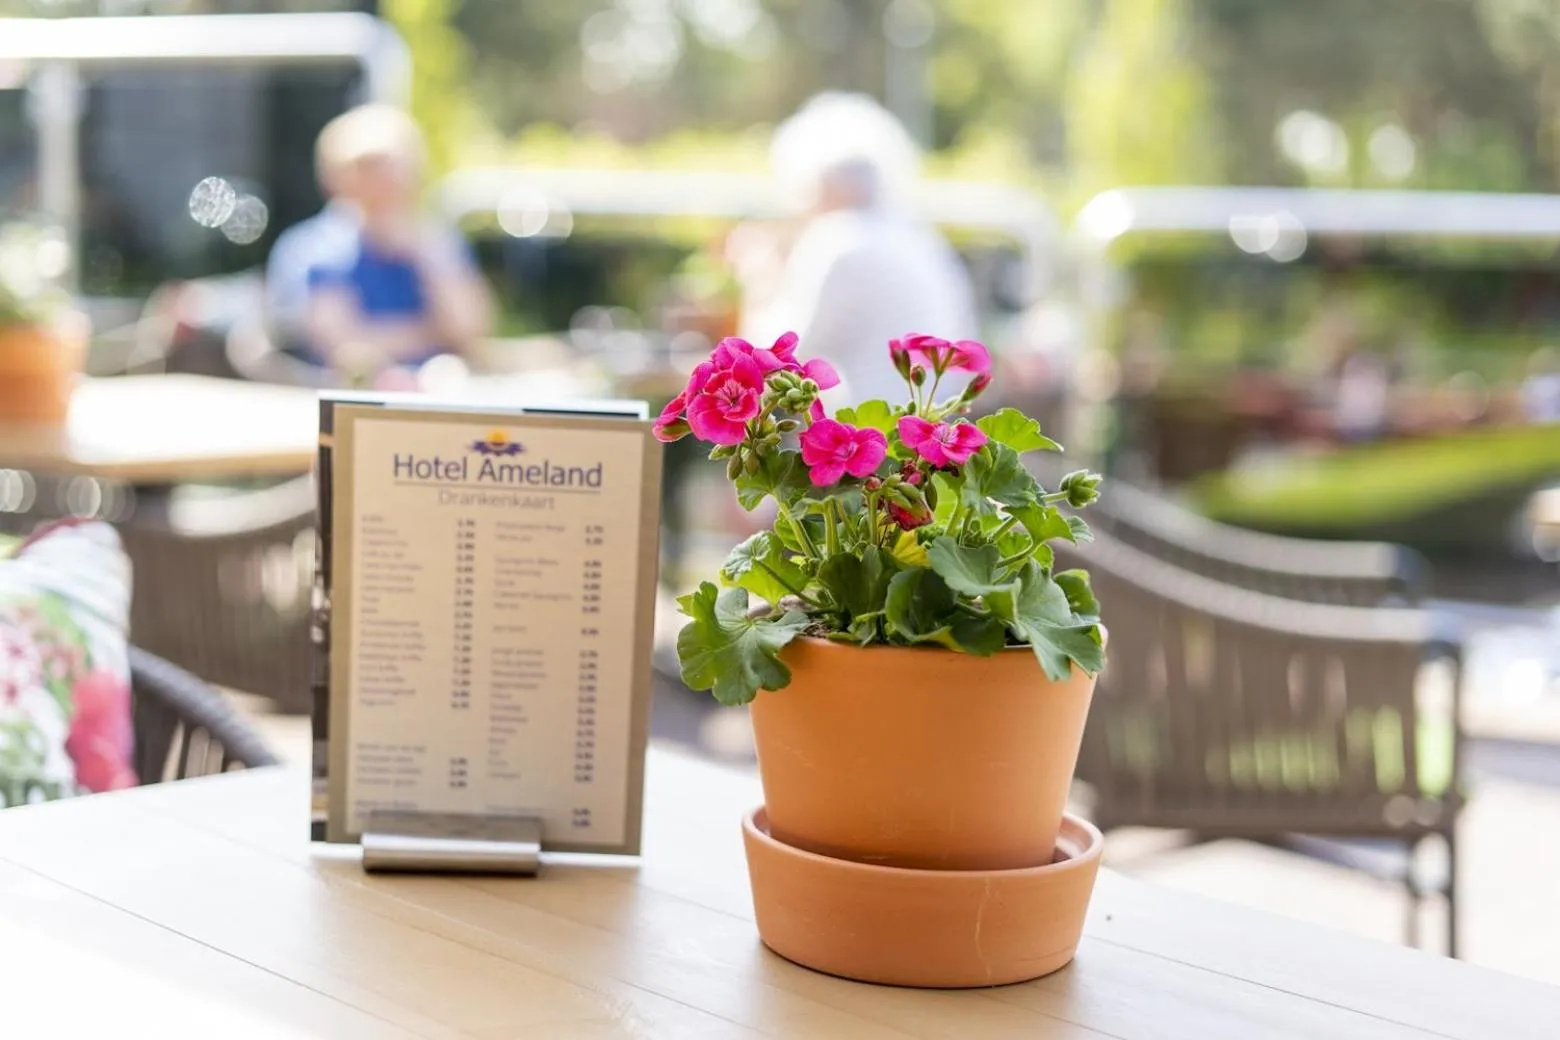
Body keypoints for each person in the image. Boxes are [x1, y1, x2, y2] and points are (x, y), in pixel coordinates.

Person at [735, 93, 978, 405]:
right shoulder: (916, 236)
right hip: (921, 427)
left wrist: (758, 274)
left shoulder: (839, 240)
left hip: (870, 437)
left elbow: (769, 359)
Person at [265, 105, 492, 384]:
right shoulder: (313, 249)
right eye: (369, 166)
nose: (385, 181)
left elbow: (470, 330)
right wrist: (434, 334)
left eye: (397, 166)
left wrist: (427, 257)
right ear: (334, 176)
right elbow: (345, 348)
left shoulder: (437, 241)